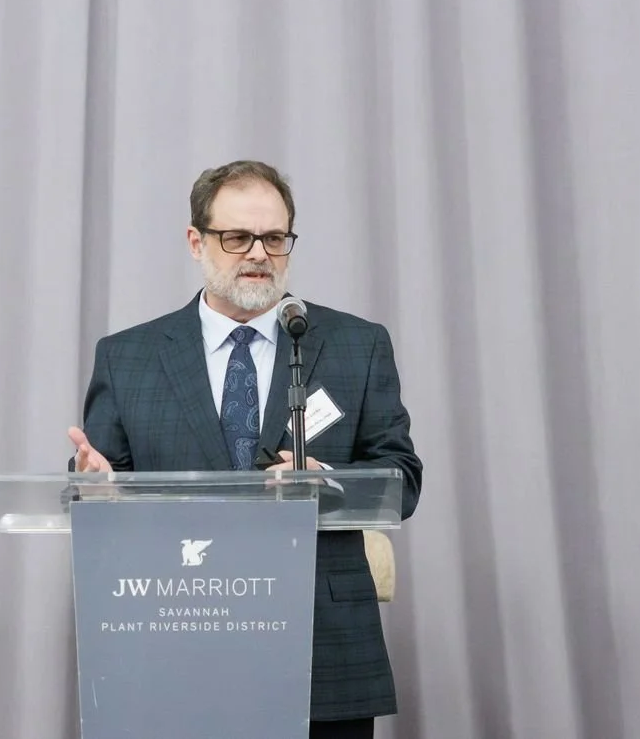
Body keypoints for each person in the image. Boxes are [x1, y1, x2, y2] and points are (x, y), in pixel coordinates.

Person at [68, 160, 422, 739]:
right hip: (175, 632)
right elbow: (98, 482)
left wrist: (324, 478)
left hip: (321, 645)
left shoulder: (355, 345)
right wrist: (99, 486)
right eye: (237, 237)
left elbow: (402, 482)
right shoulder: (127, 356)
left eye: (275, 238)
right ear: (196, 241)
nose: (258, 253)